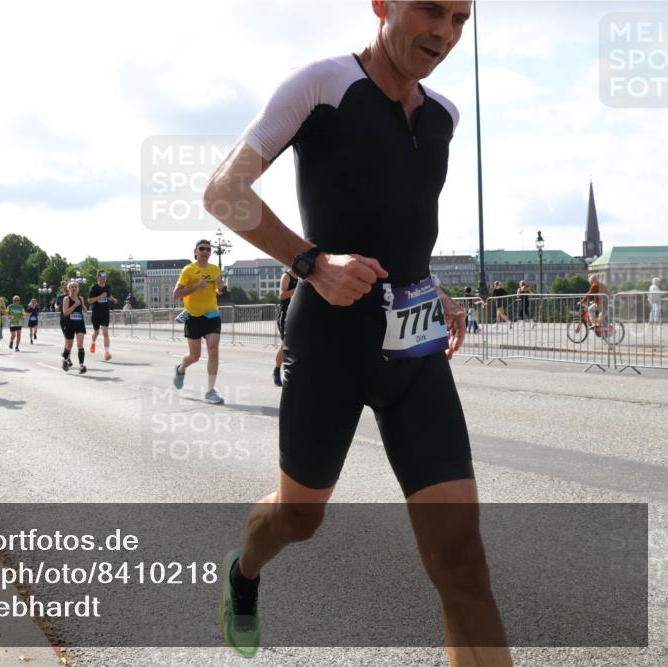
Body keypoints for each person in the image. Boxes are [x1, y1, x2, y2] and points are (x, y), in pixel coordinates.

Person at [202, 2, 511, 664]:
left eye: (461, 19)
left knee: (462, 560)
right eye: (432, 10)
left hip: (416, 348)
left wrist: (435, 289)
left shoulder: (444, 118)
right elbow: (222, 190)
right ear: (383, 4)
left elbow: (400, 231)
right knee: (298, 518)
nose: (446, 33)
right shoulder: (321, 86)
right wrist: (312, 262)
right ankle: (243, 571)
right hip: (331, 345)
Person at [171, 239, 227, 405]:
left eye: (208, 249)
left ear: (210, 252)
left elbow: (218, 290)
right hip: (193, 316)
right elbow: (176, 294)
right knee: (195, 356)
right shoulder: (188, 270)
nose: (205, 251)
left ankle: (210, 390)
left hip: (212, 314)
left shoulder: (215, 269)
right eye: (201, 248)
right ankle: (180, 369)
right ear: (195, 252)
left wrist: (221, 287)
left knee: (213, 349)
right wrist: (196, 286)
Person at [273, 269, 298, 386]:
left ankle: (294, 373)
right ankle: (277, 370)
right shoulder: (286, 276)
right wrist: (298, 289)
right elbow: (282, 295)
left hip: (299, 314)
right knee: (285, 344)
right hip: (286, 314)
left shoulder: (303, 277)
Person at [88, 270, 119, 360]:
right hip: (96, 313)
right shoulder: (94, 288)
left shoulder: (107, 287)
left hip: (105, 312)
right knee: (96, 333)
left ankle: (106, 352)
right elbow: (89, 300)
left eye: (105, 277)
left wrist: (114, 299)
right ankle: (93, 343)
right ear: (98, 277)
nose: (103, 279)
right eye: (102, 277)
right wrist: (99, 297)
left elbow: (109, 295)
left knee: (105, 332)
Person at [60, 281, 88, 373]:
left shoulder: (81, 298)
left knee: (80, 344)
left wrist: (84, 308)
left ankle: (81, 365)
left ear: (78, 289)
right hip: (70, 324)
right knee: (69, 345)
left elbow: (84, 309)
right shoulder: (66, 299)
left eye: (75, 287)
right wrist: (75, 305)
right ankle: (64, 360)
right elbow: (65, 312)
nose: (74, 288)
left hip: (79, 323)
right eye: (71, 287)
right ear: (68, 289)